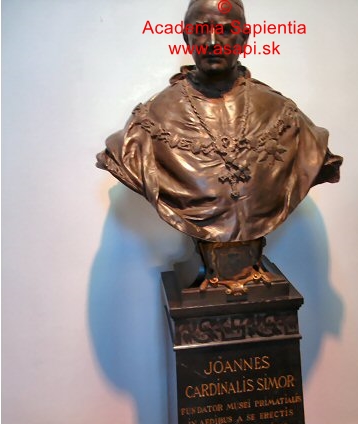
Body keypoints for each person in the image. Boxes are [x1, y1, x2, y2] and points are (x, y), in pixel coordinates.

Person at [97, 0, 342, 291]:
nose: (213, 42)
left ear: (244, 37)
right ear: (186, 36)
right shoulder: (149, 122)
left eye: (225, 30)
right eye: (201, 31)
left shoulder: (284, 115)